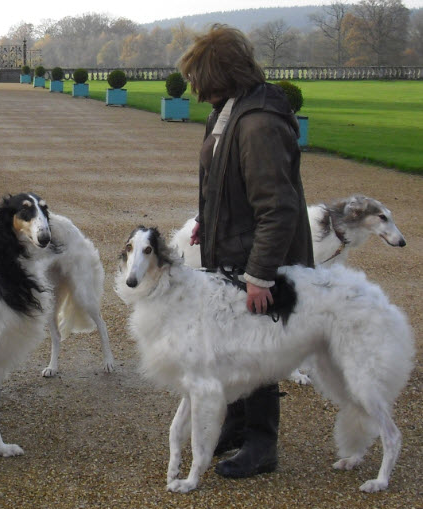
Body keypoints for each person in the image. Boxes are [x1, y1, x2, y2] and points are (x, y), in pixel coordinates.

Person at [178, 24, 314, 478]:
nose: (195, 90)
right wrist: (205, 220)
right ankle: (235, 429)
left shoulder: (258, 123)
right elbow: (220, 178)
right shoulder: (229, 109)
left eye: (200, 78)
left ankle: (262, 443)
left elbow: (278, 208)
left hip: (259, 258)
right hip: (232, 248)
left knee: (258, 351)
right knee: (233, 348)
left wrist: (261, 276)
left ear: (221, 73)